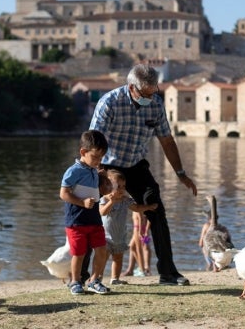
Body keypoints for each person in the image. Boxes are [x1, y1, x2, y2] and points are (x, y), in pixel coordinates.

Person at [90, 63, 197, 286]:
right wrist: (94, 174)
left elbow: (167, 140)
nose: (151, 96)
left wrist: (180, 173)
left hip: (136, 164)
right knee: (92, 214)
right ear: (132, 88)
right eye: (146, 94)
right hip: (109, 165)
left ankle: (168, 273)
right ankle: (84, 277)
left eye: (154, 91)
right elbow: (94, 141)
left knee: (156, 209)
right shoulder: (109, 102)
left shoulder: (156, 104)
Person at [59, 130, 110, 295]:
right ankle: (75, 281)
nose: (98, 161)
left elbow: (94, 192)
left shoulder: (94, 170)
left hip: (94, 219)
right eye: (95, 157)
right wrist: (81, 202)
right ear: (83, 152)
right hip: (76, 221)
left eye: (101, 158)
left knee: (102, 250)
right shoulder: (73, 171)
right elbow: (63, 194)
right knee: (79, 253)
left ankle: (94, 280)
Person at [99, 169, 158, 285]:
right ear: (108, 185)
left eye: (123, 186)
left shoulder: (125, 200)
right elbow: (102, 212)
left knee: (118, 258)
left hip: (119, 236)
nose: (121, 189)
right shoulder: (104, 199)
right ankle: (97, 278)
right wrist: (111, 202)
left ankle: (115, 278)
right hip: (105, 237)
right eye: (118, 186)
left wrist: (148, 207)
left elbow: (136, 208)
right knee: (102, 258)